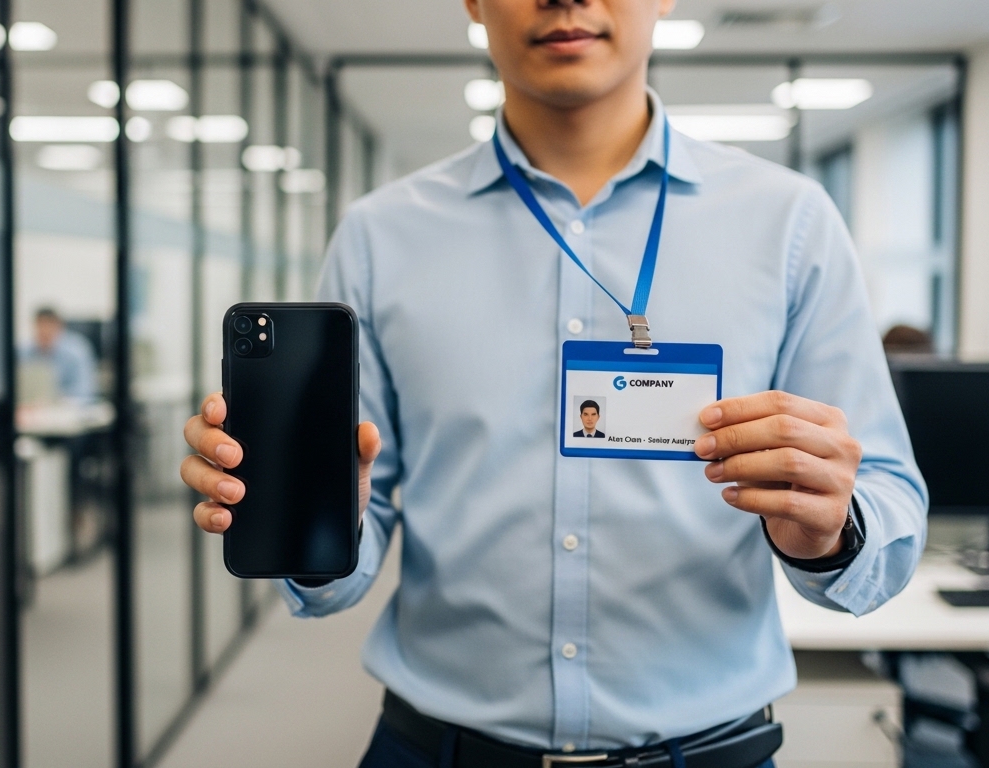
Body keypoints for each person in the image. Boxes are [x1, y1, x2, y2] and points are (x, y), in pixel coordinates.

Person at [181, 0, 927, 765]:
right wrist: (311, 518)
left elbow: (889, 504)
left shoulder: (789, 224)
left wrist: (831, 531)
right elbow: (339, 567)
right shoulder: (381, 238)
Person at [21, 307, 97, 402]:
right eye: (40, 325)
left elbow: (85, 392)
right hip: (34, 410)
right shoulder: (24, 352)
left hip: (68, 412)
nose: (44, 331)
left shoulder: (77, 351)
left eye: (49, 325)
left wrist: (60, 402)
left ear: (60, 326)